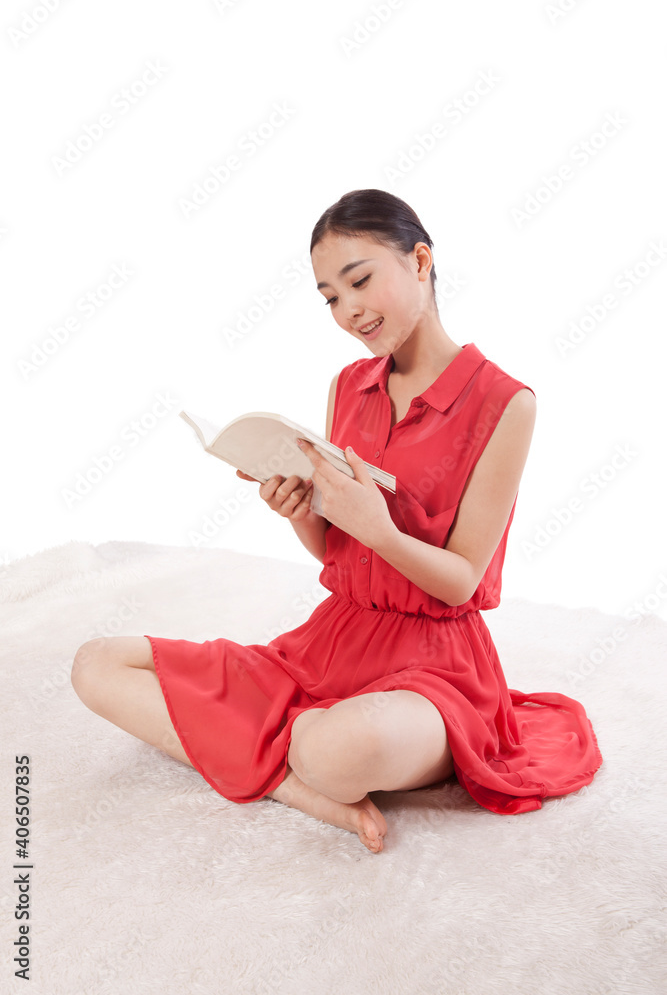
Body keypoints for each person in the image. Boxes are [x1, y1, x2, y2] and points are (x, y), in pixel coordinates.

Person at [71, 188, 603, 854]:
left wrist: (381, 530)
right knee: (96, 664)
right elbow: (335, 553)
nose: (348, 310)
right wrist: (300, 510)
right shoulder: (347, 387)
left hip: (437, 668)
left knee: (340, 746)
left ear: (418, 261)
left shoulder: (504, 402)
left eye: (358, 281)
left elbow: (462, 581)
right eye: (328, 297)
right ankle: (289, 786)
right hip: (333, 643)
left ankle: (281, 760)